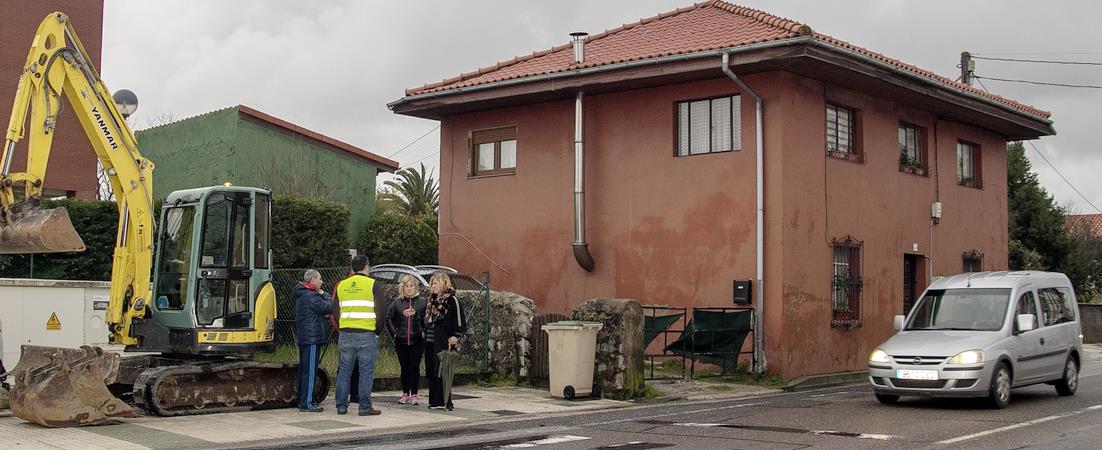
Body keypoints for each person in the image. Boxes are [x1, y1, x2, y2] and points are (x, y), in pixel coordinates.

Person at [332, 255, 382, 416]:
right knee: (366, 372)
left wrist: (342, 327)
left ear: (352, 269)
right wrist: (377, 332)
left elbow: (335, 310)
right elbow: (381, 311)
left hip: (346, 334)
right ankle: (365, 406)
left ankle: (341, 406)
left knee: (344, 371)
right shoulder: (373, 284)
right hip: (366, 334)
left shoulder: (341, 285)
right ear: (366, 267)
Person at [424, 272, 466, 411]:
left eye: (435, 283)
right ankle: (435, 400)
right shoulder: (431, 301)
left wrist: (456, 335)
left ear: (443, 284)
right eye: (432, 283)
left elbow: (460, 321)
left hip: (444, 341)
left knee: (444, 371)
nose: (433, 286)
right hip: (430, 341)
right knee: (432, 370)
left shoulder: (452, 300)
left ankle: (447, 401)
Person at [293, 269, 332, 413]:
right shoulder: (312, 296)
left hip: (306, 337)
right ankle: (307, 403)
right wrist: (324, 294)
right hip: (312, 338)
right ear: (314, 279)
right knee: (310, 371)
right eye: (320, 278)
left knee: (305, 370)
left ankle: (303, 400)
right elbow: (330, 307)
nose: (322, 281)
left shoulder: (302, 294)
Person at [385, 275, 426, 405]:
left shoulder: (422, 302)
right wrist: (394, 332)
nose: (409, 288)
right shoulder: (397, 302)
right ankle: (405, 394)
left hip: (417, 340)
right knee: (404, 367)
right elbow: (388, 317)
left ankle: (414, 394)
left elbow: (428, 318)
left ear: (416, 287)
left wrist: (422, 329)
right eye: (407, 286)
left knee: (414, 366)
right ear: (403, 288)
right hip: (401, 340)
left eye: (411, 286)